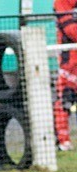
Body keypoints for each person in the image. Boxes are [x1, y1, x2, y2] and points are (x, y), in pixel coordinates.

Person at [55, 0, 77, 151]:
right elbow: (72, 31)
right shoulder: (62, 2)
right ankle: (62, 141)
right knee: (65, 101)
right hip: (69, 62)